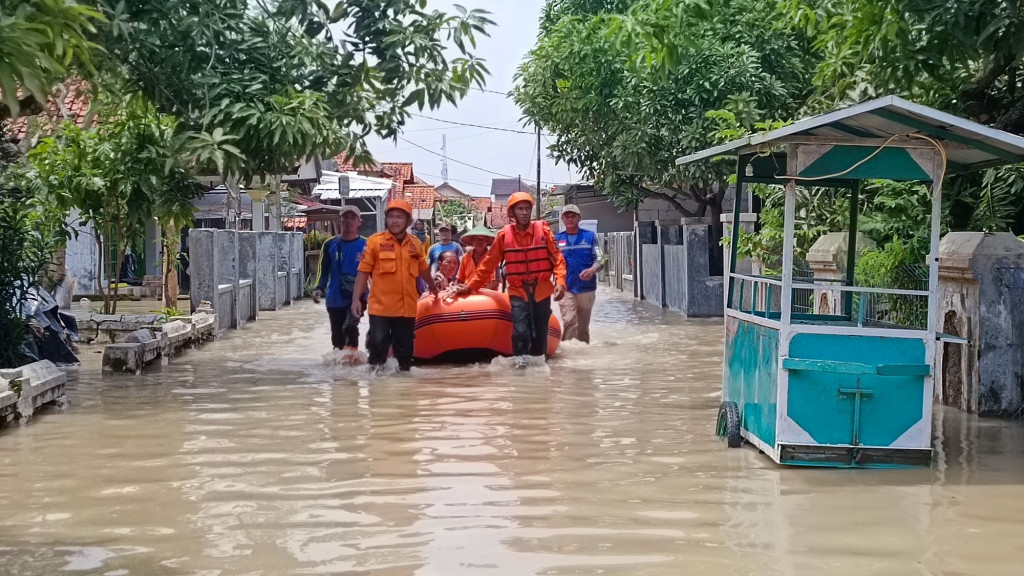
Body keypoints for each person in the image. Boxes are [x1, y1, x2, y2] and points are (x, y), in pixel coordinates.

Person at [458, 192, 567, 359]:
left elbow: (558, 259)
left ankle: (539, 371)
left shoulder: (544, 232)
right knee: (520, 333)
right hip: (518, 291)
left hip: (542, 290)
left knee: (540, 336)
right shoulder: (503, 236)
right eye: (520, 209)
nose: (524, 212)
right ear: (512, 212)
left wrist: (560, 282)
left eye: (527, 209)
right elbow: (488, 265)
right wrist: (470, 286)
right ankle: (520, 368)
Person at [352, 199, 438, 371]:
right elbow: (362, 272)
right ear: (386, 219)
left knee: (405, 354)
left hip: (406, 310)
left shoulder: (415, 244)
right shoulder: (375, 242)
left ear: (408, 221)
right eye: (391, 217)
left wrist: (433, 287)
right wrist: (355, 300)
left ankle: (403, 392)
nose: (395, 221)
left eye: (399, 217)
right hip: (380, 310)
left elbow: (423, 270)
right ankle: (376, 392)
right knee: (377, 351)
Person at [313, 206, 367, 357]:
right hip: (334, 298)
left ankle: (352, 373)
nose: (348, 220)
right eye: (345, 217)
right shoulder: (329, 244)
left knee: (351, 329)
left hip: (358, 298)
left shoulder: (367, 245)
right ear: (339, 220)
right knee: (337, 338)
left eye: (352, 217)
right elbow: (323, 270)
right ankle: (340, 375)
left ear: (359, 222)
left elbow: (375, 273)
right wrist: (319, 288)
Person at [555, 204, 603, 344]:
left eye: (573, 216)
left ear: (579, 218)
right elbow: (550, 263)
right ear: (563, 219)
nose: (570, 219)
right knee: (569, 321)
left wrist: (593, 269)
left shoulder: (590, 237)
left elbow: (601, 258)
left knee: (582, 329)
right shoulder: (556, 240)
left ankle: (582, 360)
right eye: (567, 216)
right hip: (565, 288)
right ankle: (568, 356)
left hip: (586, 289)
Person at [456, 225, 500, 290]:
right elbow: (460, 279)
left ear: (487, 242)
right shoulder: (466, 257)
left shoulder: (492, 257)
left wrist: (478, 293)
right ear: (472, 242)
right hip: (466, 292)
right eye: (476, 239)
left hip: (486, 293)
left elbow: (495, 282)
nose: (479, 241)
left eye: (483, 239)